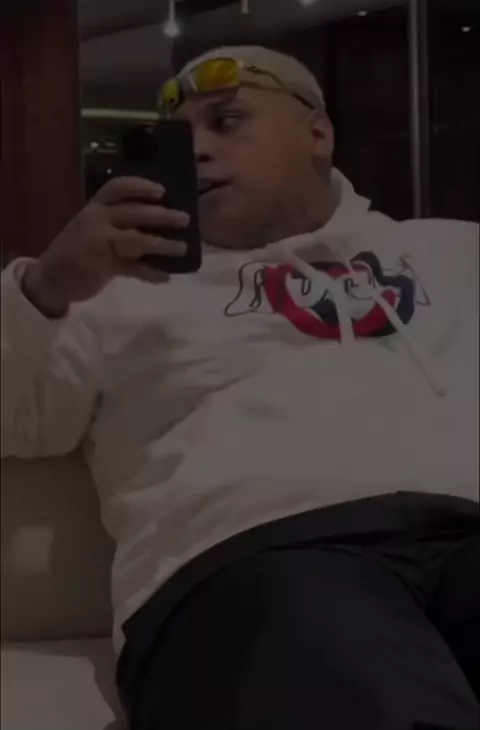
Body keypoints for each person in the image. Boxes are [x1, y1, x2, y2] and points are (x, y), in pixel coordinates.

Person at [1, 46, 479, 730]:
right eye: (179, 136)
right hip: (256, 556)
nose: (197, 149)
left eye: (227, 121)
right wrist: (46, 284)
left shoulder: (455, 253)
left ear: (318, 134)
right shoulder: (108, 288)